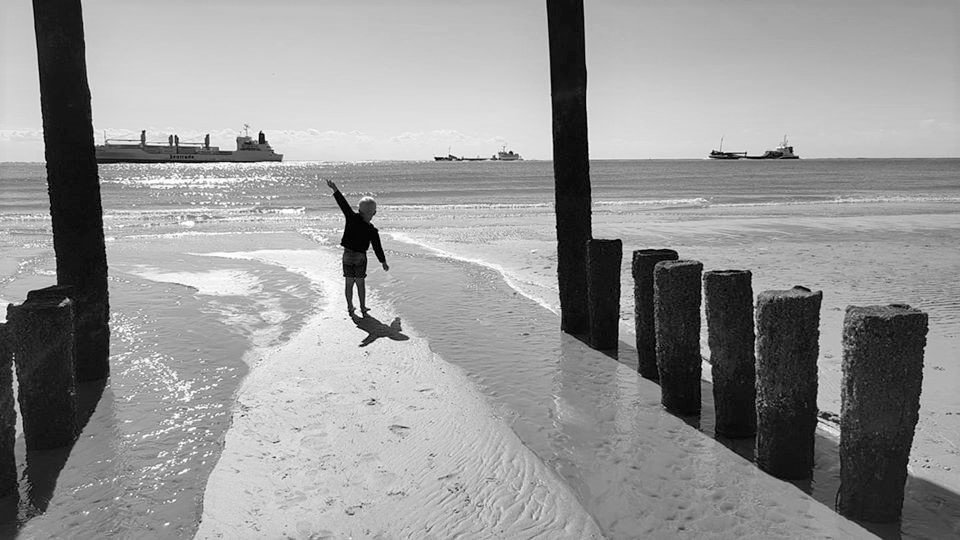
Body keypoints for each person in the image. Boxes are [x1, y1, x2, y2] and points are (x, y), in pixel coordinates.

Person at [326, 179, 389, 317]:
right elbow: (377, 247)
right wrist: (383, 262)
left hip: (347, 256)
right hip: (360, 257)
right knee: (360, 284)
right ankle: (363, 307)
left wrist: (335, 189)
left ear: (359, 210)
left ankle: (350, 307)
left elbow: (343, 204)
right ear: (374, 213)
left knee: (349, 283)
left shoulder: (351, 217)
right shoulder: (372, 230)